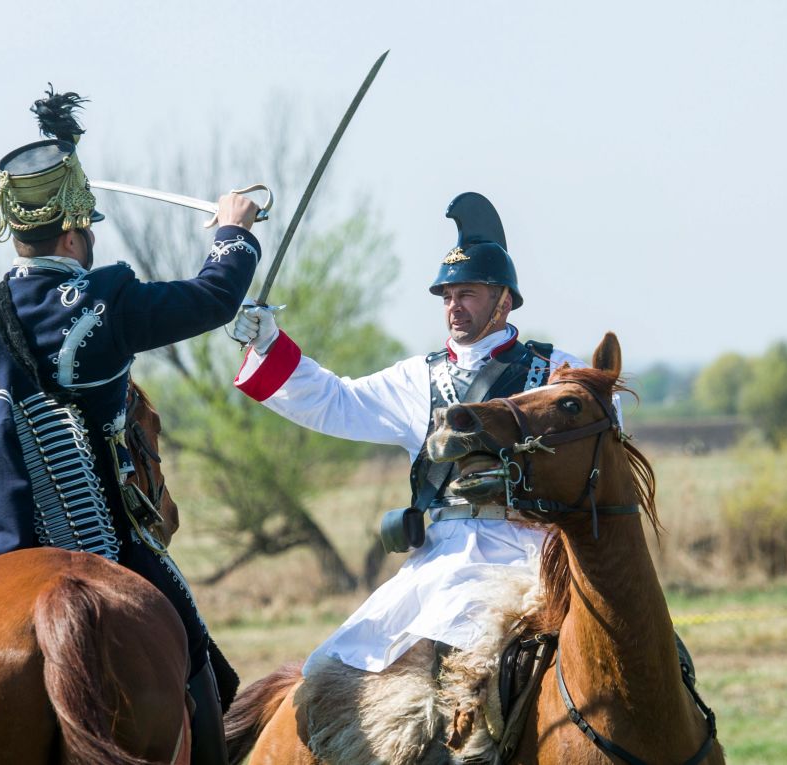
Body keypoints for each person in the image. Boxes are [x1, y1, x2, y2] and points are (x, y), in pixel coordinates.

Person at [0, 88, 260, 765]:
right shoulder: (108, 300)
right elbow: (214, 296)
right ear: (75, 233)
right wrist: (234, 232)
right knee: (198, 662)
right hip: (106, 546)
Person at [230, 191, 586, 675]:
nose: (454, 307)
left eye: (467, 295)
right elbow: (337, 401)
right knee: (327, 671)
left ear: (503, 302)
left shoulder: (558, 371)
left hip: (533, 551)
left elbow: (603, 437)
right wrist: (267, 342)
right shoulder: (418, 377)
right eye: (448, 297)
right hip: (442, 557)